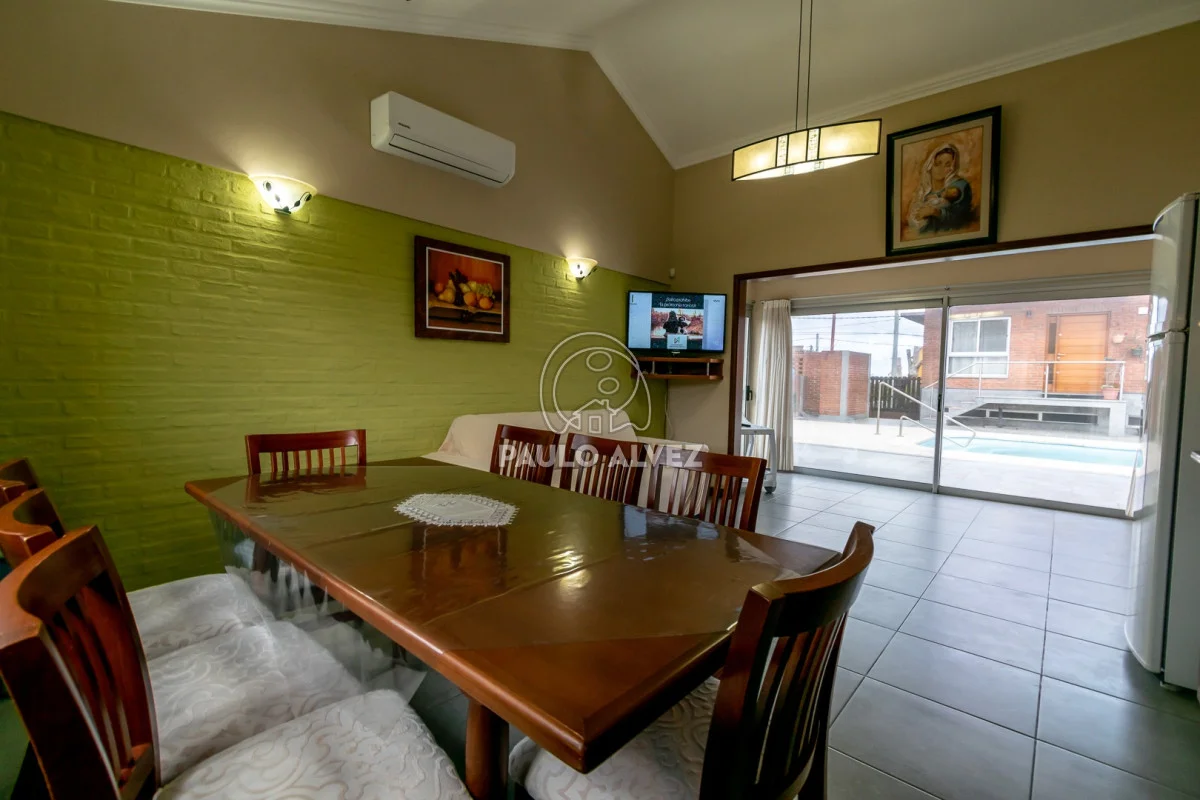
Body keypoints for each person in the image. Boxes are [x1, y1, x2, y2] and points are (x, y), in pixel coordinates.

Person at [907, 143, 974, 235]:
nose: (941, 168)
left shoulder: (960, 186)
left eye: (947, 165)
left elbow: (960, 219)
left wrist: (935, 212)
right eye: (938, 164)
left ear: (953, 167)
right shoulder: (922, 193)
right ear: (930, 165)